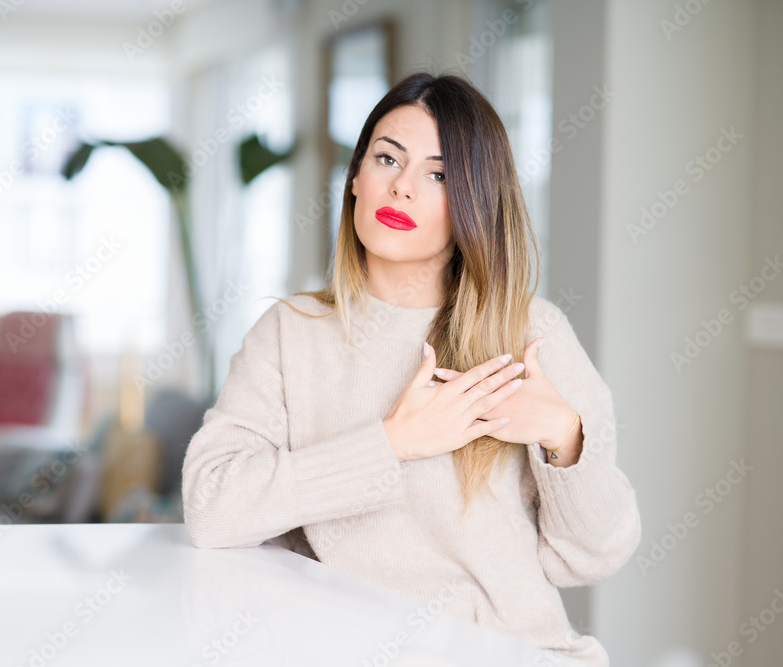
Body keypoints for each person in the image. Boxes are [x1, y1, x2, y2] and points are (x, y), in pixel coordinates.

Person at [181, 70, 641, 666]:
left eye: (439, 174)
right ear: (354, 180)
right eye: (387, 159)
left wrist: (566, 439)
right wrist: (392, 444)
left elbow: (590, 559)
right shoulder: (292, 333)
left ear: (474, 200)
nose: (402, 188)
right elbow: (211, 508)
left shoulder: (529, 333)